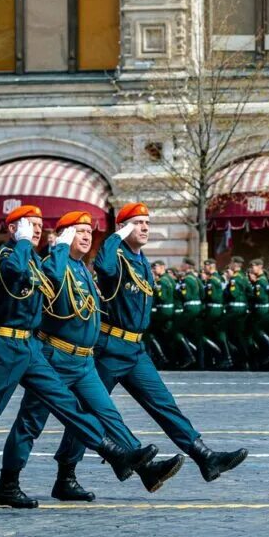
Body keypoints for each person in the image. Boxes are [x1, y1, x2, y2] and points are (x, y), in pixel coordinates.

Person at [0, 205, 159, 518]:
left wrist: (55, 248)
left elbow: (54, 278)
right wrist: (27, 243)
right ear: (12, 230)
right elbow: (17, 272)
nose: (35, 230)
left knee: (67, 404)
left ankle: (113, 452)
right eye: (27, 225)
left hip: (30, 346)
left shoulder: (35, 258)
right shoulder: (7, 255)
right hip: (4, 345)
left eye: (37, 225)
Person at [1, 211, 185, 504]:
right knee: (30, 422)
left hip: (84, 360)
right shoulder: (56, 262)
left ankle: (143, 467)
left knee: (106, 412)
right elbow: (54, 280)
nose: (87, 236)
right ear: (64, 235)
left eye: (89, 232)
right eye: (79, 231)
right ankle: (8, 483)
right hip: (54, 356)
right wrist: (59, 247)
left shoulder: (82, 268)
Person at [78, 202, 248, 482]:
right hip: (109, 349)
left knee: (164, 403)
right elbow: (103, 267)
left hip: (134, 349)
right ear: (123, 228)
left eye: (147, 223)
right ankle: (66, 472)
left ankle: (204, 456)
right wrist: (117, 235)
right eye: (137, 223)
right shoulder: (117, 255)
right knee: (93, 411)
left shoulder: (141, 258)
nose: (144, 227)